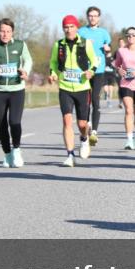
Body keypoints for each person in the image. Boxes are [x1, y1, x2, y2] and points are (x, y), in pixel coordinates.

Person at [0, 18, 33, 167]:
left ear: (12, 32)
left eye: (8, 31)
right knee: (1, 124)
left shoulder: (21, 45)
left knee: (14, 122)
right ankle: (7, 154)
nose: (5, 34)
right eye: (2, 31)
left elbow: (28, 61)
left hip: (17, 90)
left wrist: (25, 71)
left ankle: (16, 149)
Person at [49, 14, 99, 167]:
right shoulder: (59, 45)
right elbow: (53, 62)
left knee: (82, 124)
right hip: (65, 87)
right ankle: (70, 155)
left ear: (77, 28)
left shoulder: (85, 44)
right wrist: (53, 74)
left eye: (71, 27)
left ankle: (84, 139)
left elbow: (95, 60)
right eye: (66, 27)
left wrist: (91, 71)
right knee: (66, 120)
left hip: (82, 88)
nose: (68, 30)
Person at [78, 6, 112, 148]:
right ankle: (85, 131)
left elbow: (109, 50)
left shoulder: (104, 33)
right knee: (85, 103)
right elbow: (76, 49)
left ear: (99, 17)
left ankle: (94, 132)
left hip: (98, 71)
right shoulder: (81, 31)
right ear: (87, 17)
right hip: (85, 71)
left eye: (95, 15)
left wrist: (108, 49)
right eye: (90, 15)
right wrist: (84, 44)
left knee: (95, 101)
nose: (93, 18)